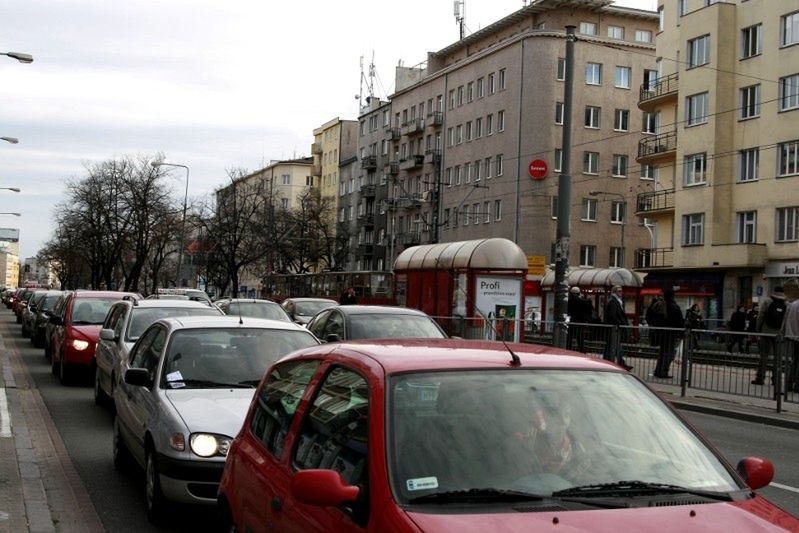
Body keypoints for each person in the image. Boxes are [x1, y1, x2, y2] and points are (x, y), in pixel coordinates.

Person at [753, 287, 786, 385]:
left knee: (764, 356)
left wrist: (758, 329)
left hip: (766, 332)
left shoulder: (767, 301)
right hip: (779, 334)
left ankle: (760, 378)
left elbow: (760, 316)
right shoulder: (786, 304)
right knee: (778, 357)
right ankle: (776, 379)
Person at [653, 289, 683, 379]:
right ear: (672, 296)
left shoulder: (659, 305)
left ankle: (658, 371)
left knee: (662, 352)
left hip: (661, 333)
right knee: (668, 353)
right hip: (671, 333)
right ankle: (663, 371)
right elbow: (679, 321)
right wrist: (681, 332)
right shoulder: (674, 307)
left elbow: (651, 317)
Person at [602, 285, 633, 371]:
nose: (621, 292)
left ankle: (606, 362)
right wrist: (620, 323)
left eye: (621, 291)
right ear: (615, 292)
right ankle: (621, 363)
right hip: (614, 328)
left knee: (610, 346)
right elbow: (613, 315)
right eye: (619, 291)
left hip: (614, 328)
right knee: (615, 346)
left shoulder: (617, 301)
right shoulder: (613, 302)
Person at [782, 278, 799, 393]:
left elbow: (786, 322)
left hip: (792, 336)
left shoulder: (792, 305)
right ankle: (797, 386)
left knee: (794, 361)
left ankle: (789, 384)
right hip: (797, 336)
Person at [567, 287, 590, 352]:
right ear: (579, 293)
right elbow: (586, 313)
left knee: (569, 339)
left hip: (572, 323)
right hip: (580, 323)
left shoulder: (569, 302)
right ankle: (582, 352)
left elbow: (568, 312)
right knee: (580, 339)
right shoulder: (584, 302)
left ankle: (568, 351)